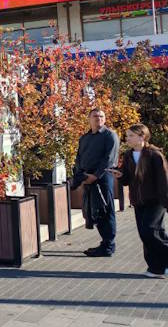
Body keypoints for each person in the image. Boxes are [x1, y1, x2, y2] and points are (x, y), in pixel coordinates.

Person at [109, 124, 168, 278]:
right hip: (138, 201)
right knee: (146, 234)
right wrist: (120, 176)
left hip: (155, 201)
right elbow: (128, 179)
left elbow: (164, 181)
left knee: (150, 231)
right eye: (127, 136)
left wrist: (165, 201)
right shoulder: (128, 155)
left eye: (130, 136)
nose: (127, 139)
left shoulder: (155, 155)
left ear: (142, 136)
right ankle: (156, 268)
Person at [71, 108, 119, 257]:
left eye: (101, 116)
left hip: (102, 178)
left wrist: (96, 175)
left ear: (104, 119)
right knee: (92, 211)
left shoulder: (110, 135)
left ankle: (108, 245)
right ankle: (104, 243)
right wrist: (81, 176)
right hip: (87, 178)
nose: (98, 118)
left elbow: (109, 159)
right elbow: (79, 158)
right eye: (95, 116)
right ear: (89, 119)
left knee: (105, 210)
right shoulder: (84, 138)